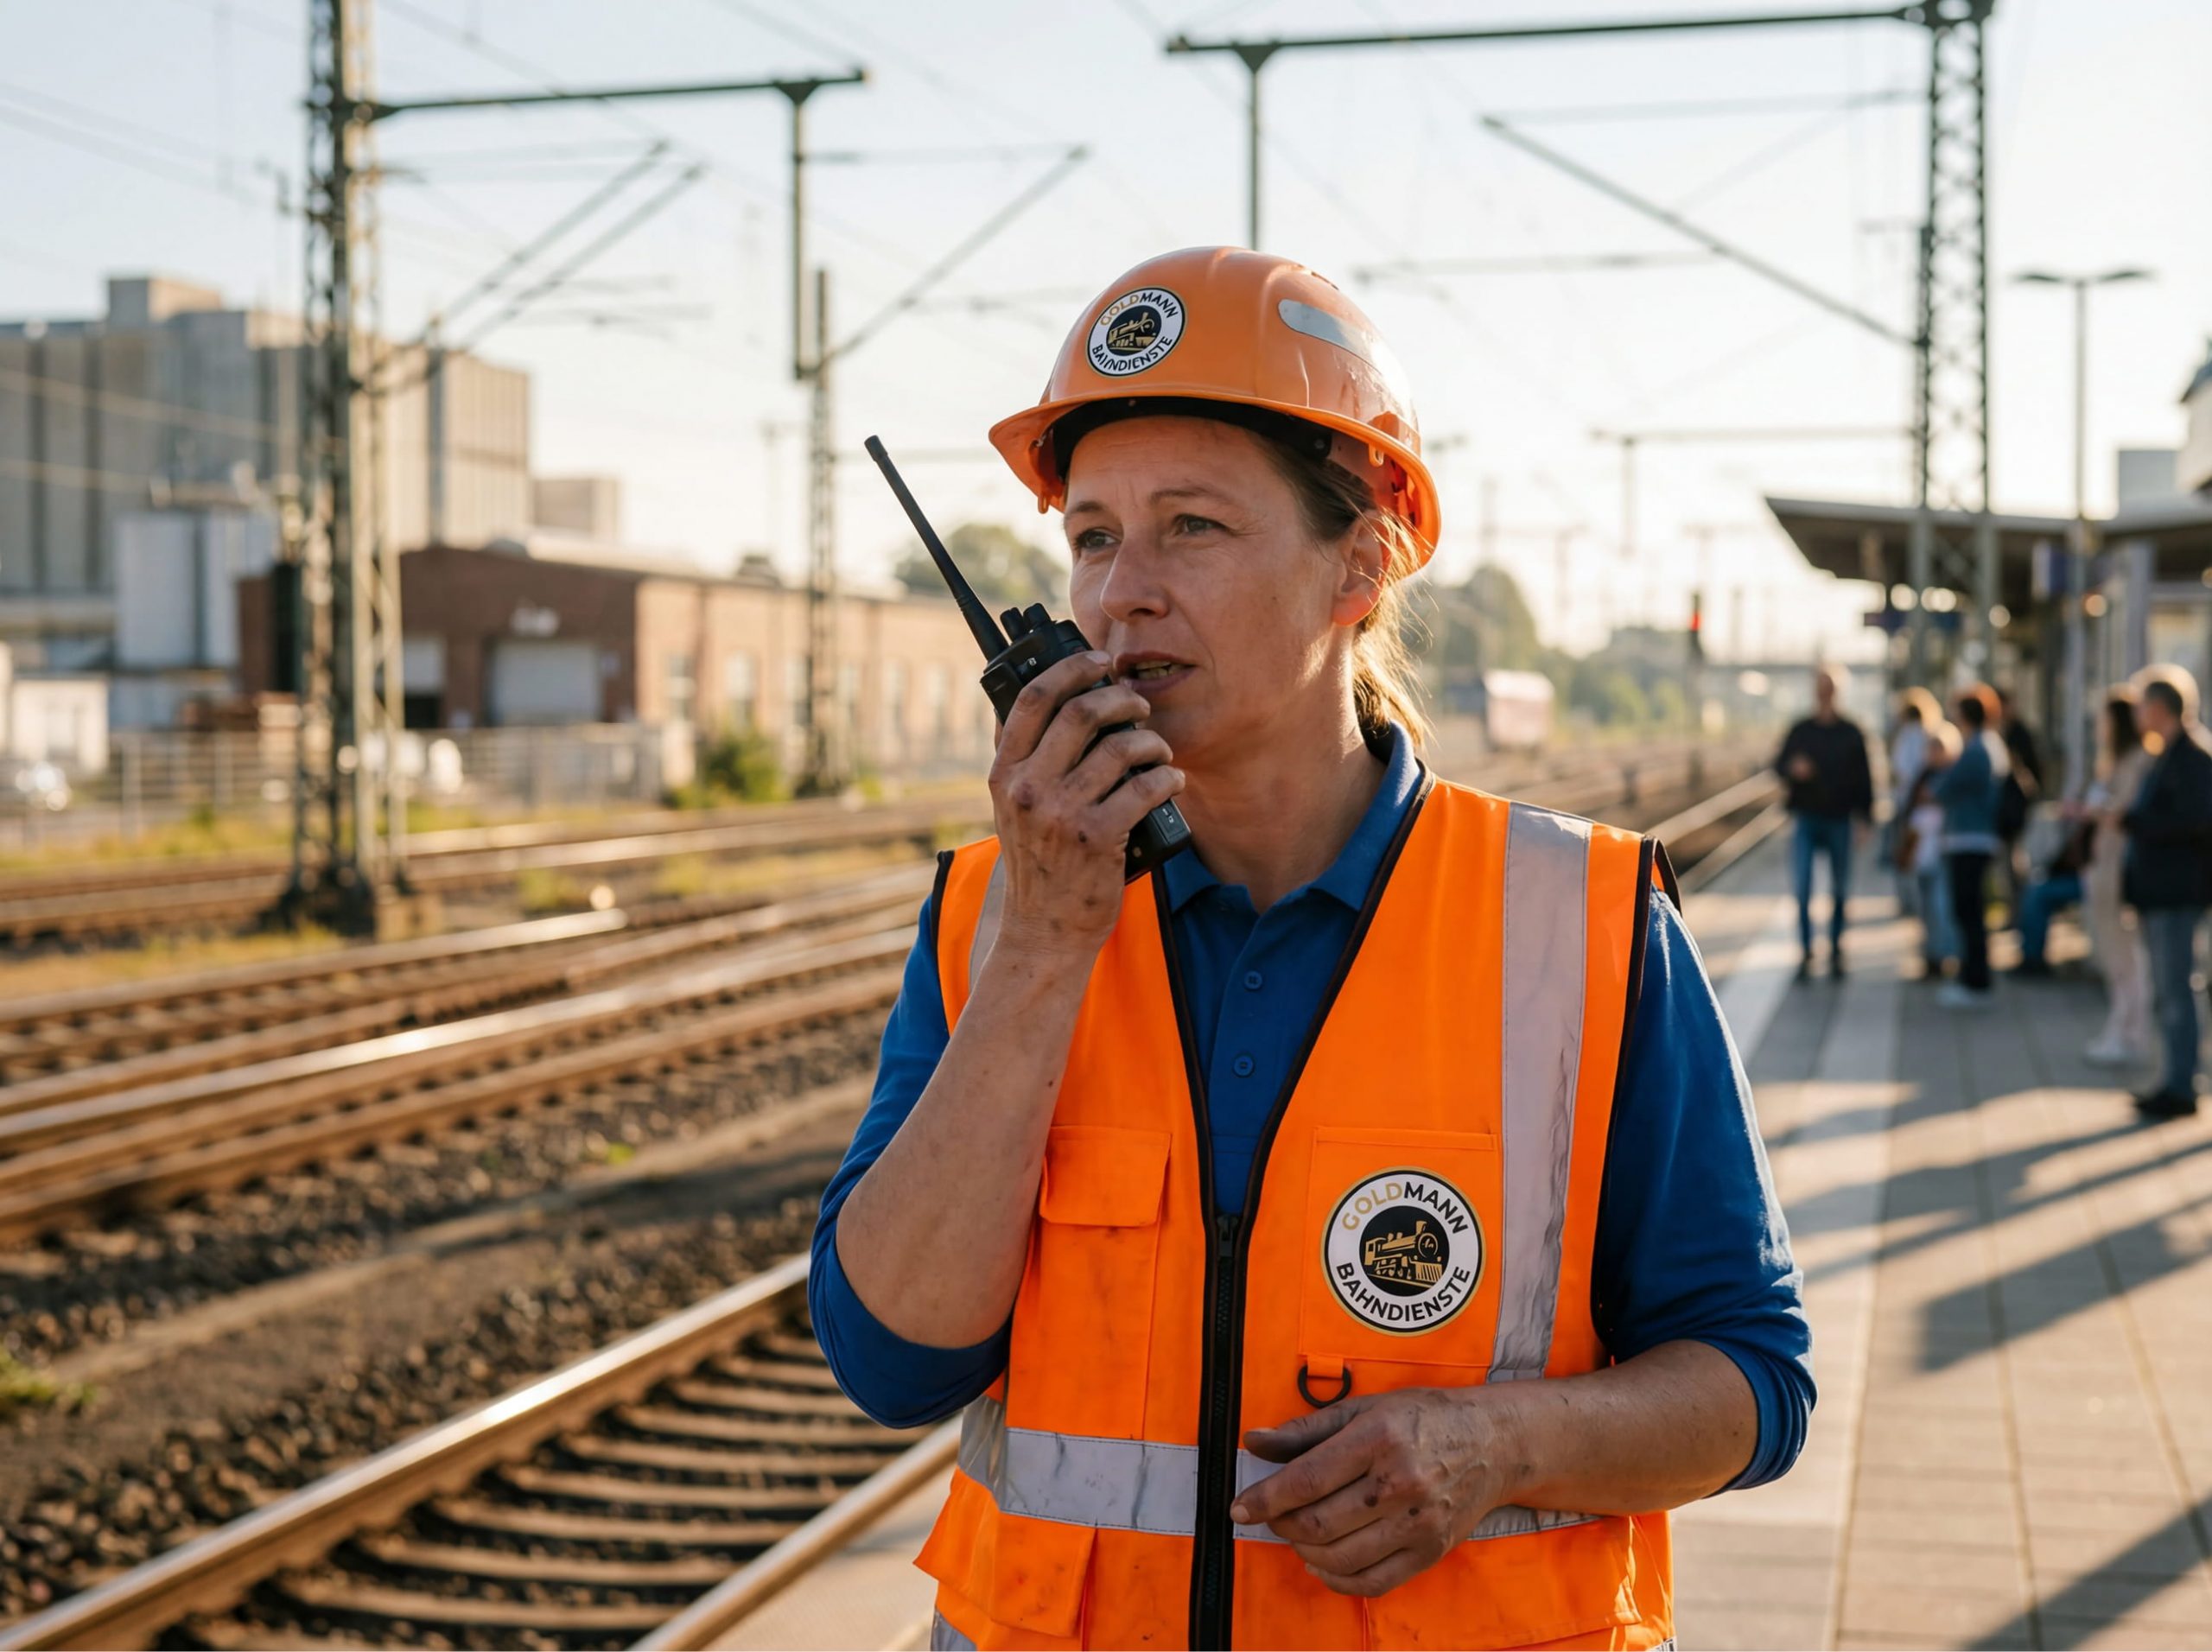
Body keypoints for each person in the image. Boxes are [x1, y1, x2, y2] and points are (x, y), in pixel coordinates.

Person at [813, 248, 1811, 1650]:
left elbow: (1753, 1382)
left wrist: (1498, 1447)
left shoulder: (1576, 922)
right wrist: (1044, 947)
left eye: (1193, 527)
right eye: (1092, 537)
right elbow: (891, 1358)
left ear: (1363, 558)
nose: (1121, 593)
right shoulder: (999, 911)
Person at [2120, 666, 2212, 1119]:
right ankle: (2173, 1078)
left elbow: (2195, 822)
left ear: (2159, 708)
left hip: (2178, 892)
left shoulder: (2193, 757)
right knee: (2168, 989)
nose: (2137, 715)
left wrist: (2134, 822)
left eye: (2141, 705)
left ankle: (2182, 1084)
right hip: (2162, 890)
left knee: (2177, 989)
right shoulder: (2169, 754)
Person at [1775, 669, 1874, 980]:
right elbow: (1778, 765)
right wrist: (1793, 768)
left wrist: (1865, 818)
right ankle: (1806, 952)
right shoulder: (1801, 730)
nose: (1824, 693)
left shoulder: (1851, 731)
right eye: (1820, 688)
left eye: (1829, 688)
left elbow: (1865, 778)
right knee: (1802, 888)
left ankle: (1836, 950)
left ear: (1838, 691)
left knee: (1840, 888)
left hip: (1840, 818)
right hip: (1807, 817)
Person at [2079, 689, 2153, 1066]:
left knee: (2125, 957)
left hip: (2119, 868)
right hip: (2105, 864)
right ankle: (2121, 1028)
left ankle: (2129, 1032)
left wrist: (2096, 810)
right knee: (2117, 956)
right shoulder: (2118, 762)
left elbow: (2125, 813)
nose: (2099, 728)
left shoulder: (2137, 762)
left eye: (2104, 720)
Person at [1932, 685, 2009, 1009]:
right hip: (1974, 837)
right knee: (1970, 909)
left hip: (1970, 837)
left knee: (1968, 910)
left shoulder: (1977, 749)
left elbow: (1944, 788)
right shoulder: (1988, 744)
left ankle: (1975, 979)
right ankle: (1973, 976)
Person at [1901, 719, 1961, 980]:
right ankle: (1931, 955)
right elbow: (1908, 809)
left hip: (1943, 847)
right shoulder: (1923, 775)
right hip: (1921, 849)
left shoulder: (1953, 775)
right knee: (1925, 905)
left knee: (1941, 904)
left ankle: (1945, 954)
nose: (1935, 754)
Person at [1887, 688, 1941, 921]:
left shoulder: (1906, 737)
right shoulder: (1931, 735)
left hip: (1909, 806)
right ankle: (1923, 908)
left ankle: (1911, 902)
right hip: (1928, 806)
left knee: (1908, 853)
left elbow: (1900, 771)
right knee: (1926, 857)